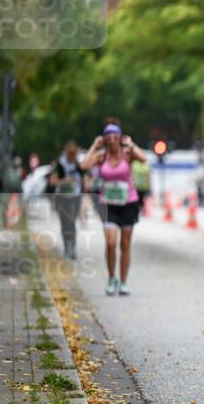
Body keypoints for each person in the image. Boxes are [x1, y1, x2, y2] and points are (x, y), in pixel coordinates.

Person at [81, 119, 148, 296]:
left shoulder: (127, 153)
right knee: (111, 243)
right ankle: (112, 278)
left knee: (125, 245)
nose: (112, 140)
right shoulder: (101, 156)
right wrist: (94, 146)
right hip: (108, 204)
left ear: (120, 138)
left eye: (115, 136)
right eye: (108, 137)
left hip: (129, 203)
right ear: (104, 139)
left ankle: (124, 281)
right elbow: (83, 166)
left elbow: (144, 158)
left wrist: (131, 144)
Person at [49, 141, 84, 260]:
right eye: (71, 154)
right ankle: (67, 247)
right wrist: (65, 181)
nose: (73, 156)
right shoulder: (60, 165)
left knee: (71, 222)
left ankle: (72, 247)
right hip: (62, 197)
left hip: (75, 197)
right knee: (65, 223)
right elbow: (52, 181)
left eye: (75, 154)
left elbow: (84, 179)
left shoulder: (78, 165)